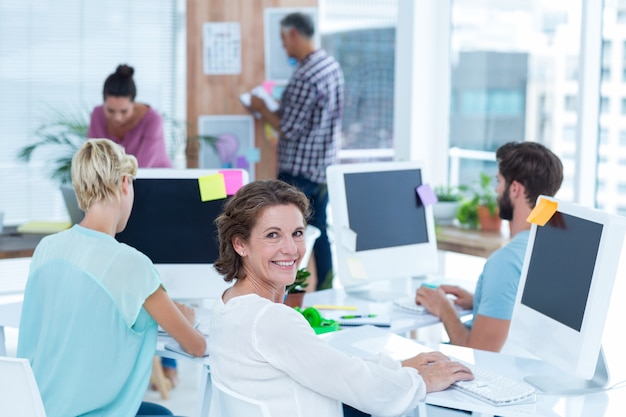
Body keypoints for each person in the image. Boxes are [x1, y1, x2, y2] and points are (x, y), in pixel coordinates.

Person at [208, 180, 472, 417]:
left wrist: (398, 365)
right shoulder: (270, 320)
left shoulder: (228, 302)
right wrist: (422, 381)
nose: (290, 249)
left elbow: (329, 366)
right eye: (272, 235)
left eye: (297, 233)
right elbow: (361, 387)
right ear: (240, 244)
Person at [17, 139, 206, 417]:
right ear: (126, 183)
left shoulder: (47, 248)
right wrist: (186, 320)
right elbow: (197, 346)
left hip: (39, 410)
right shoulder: (133, 264)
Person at [416, 141, 563, 352]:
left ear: (514, 188)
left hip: (495, 375)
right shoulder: (552, 248)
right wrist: (482, 302)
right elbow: (530, 321)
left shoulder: (506, 262)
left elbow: (480, 351)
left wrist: (444, 308)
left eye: (499, 181)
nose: (496, 189)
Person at [248, 12, 344, 290]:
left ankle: (286, 295)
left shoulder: (305, 75)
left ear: (293, 34)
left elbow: (287, 128)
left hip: (299, 172)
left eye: (283, 39)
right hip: (322, 168)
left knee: (287, 239)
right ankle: (325, 290)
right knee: (320, 233)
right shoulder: (330, 66)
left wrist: (261, 106)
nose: (283, 47)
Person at [88, 64, 173, 168]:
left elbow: (142, 166)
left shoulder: (152, 120)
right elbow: (94, 157)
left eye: (124, 111)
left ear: (133, 104)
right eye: (110, 111)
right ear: (104, 103)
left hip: (155, 177)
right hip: (116, 180)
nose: (117, 117)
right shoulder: (97, 115)